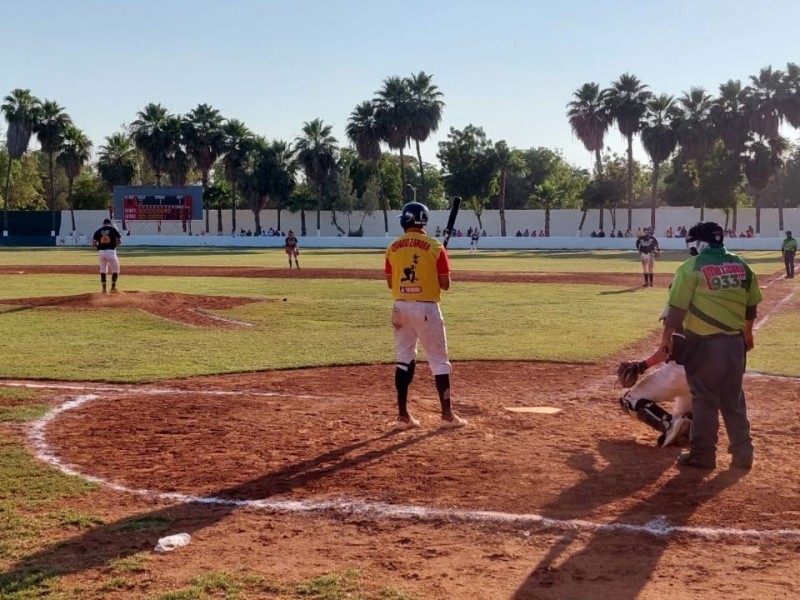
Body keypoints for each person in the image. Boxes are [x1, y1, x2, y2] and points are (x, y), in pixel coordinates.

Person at [660, 222, 762, 470]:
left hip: (705, 345)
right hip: (735, 343)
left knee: (705, 400)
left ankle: (703, 455)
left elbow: (677, 310)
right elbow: (751, 306)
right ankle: (743, 454)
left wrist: (666, 338)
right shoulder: (742, 265)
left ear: (700, 243)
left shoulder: (691, 268)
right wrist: (747, 333)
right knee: (733, 399)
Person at [384, 202, 467, 431]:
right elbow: (445, 285)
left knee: (404, 359)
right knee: (439, 360)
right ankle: (447, 415)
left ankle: (403, 416)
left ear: (405, 221)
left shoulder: (392, 247)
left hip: (400, 307)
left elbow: (391, 282)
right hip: (427, 308)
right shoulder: (435, 247)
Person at [618, 307, 692, 448]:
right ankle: (690, 426)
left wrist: (641, 366)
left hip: (678, 373)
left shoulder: (677, 313)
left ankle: (668, 425)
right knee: (682, 418)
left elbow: (664, 352)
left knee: (630, 400)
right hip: (703, 378)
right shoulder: (708, 313)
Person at [92, 218, 122, 294]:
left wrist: (99, 247)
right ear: (109, 223)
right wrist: (114, 245)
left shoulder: (98, 231)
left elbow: (93, 243)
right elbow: (119, 241)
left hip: (101, 252)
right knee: (115, 270)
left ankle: (104, 290)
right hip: (111, 251)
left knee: (103, 270)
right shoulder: (113, 230)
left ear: (103, 223)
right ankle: (112, 288)